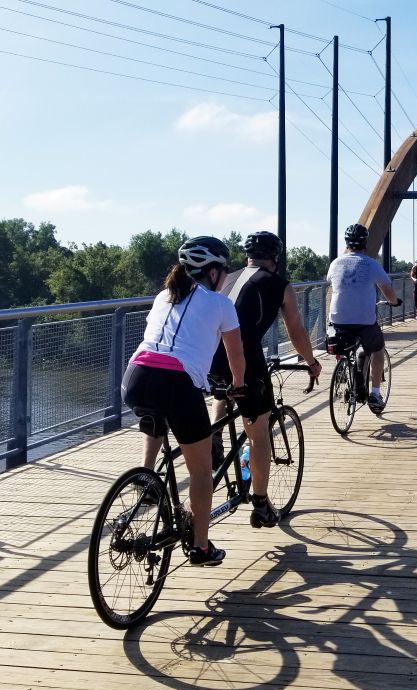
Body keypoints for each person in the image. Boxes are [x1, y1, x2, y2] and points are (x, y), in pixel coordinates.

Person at [121, 236, 244, 566]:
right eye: (225, 271)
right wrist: (238, 386)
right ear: (214, 272)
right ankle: (200, 547)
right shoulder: (221, 304)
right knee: (202, 472)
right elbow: (236, 355)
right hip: (176, 383)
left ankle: (145, 479)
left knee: (157, 416)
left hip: (135, 377)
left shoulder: (165, 294)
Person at [210, 230, 323, 527]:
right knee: (258, 432)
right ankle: (260, 503)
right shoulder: (279, 285)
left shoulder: (225, 278)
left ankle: (215, 435)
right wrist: (311, 362)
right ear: (275, 259)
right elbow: (296, 332)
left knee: (222, 389)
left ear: (247, 257)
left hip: (205, 356)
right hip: (245, 360)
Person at [325, 223, 402, 415]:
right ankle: (375, 394)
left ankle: (343, 370)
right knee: (378, 349)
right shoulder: (371, 264)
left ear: (347, 243)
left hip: (337, 320)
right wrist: (394, 302)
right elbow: (388, 290)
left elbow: (332, 286)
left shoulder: (335, 263)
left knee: (341, 341)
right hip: (364, 322)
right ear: (365, 243)